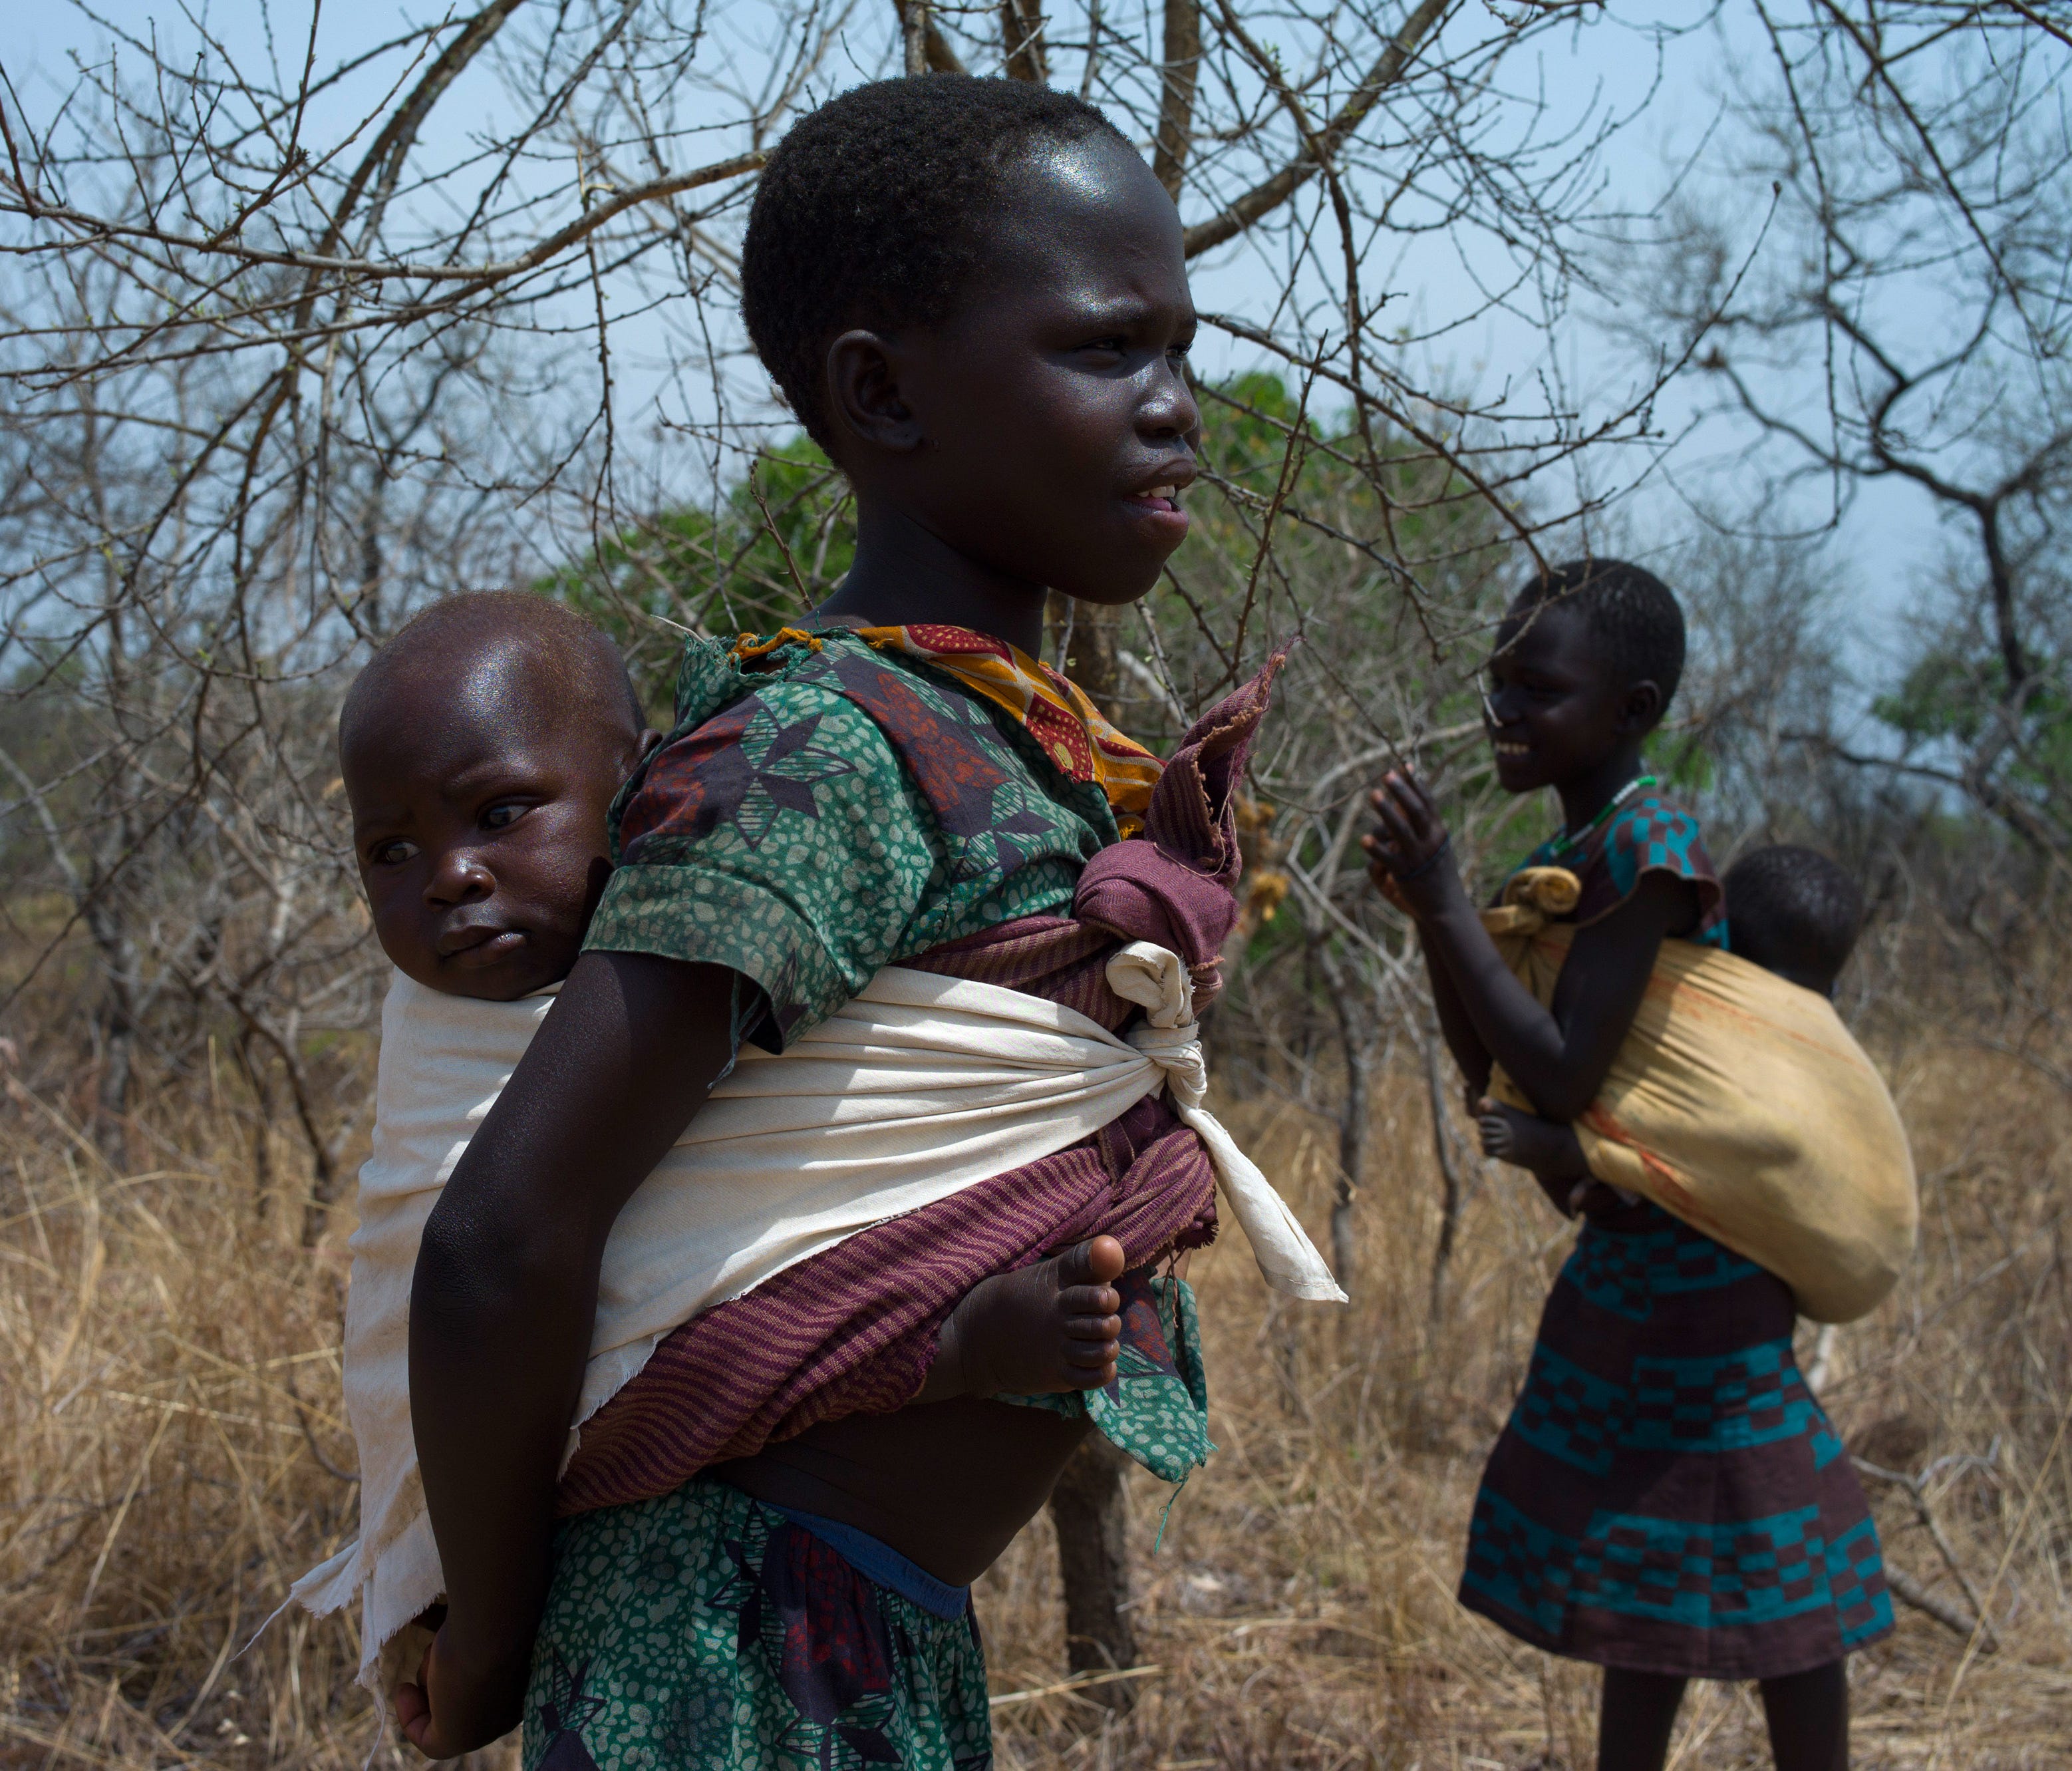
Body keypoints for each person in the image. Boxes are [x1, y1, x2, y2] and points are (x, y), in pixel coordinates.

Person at [384, 75, 1320, 1771]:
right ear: (882, 393)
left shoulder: (996, 740)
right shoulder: (827, 751)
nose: (1179, 408)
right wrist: (495, 1639)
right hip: (718, 1647)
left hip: (851, 1629)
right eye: (1108, 349)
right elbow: (503, 1238)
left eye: (1181, 349)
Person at [1364, 562, 1892, 1771]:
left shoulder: (1650, 842)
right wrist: (1429, 913)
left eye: (1537, 687)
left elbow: (1559, 1072)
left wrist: (1446, 900)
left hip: (1700, 1285)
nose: (1504, 709)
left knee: (1776, 1552)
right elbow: (1502, 1067)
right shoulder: (1581, 847)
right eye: (1499, 681)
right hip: (1638, 1275)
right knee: (1650, 1581)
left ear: (1633, 707)